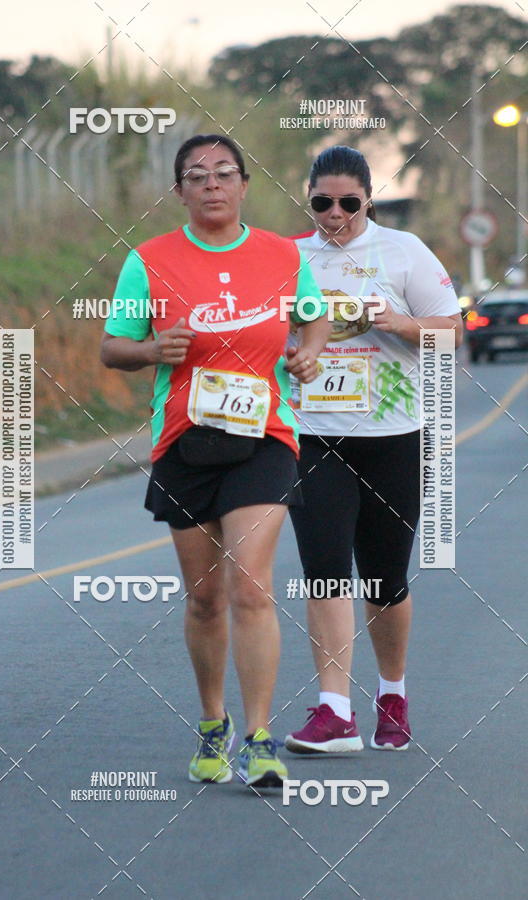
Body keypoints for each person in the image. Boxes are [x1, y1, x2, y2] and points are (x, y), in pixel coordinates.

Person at [101, 134, 330, 787]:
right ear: (179, 191)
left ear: (244, 183)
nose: (211, 184)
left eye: (224, 173)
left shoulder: (283, 256)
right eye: (196, 176)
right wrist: (152, 351)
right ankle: (213, 721)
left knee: (249, 587)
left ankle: (260, 739)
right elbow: (114, 347)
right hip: (185, 440)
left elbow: (313, 319)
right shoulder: (149, 261)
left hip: (264, 437)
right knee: (204, 598)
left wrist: (308, 350)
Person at [284, 145, 462, 754]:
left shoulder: (403, 251)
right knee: (325, 569)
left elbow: (452, 329)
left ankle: (392, 693)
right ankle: (336, 710)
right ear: (307, 200)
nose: (333, 214)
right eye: (321, 203)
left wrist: (400, 323)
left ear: (368, 201)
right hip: (313, 436)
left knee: (385, 578)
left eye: (348, 203)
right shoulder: (288, 258)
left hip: (394, 438)